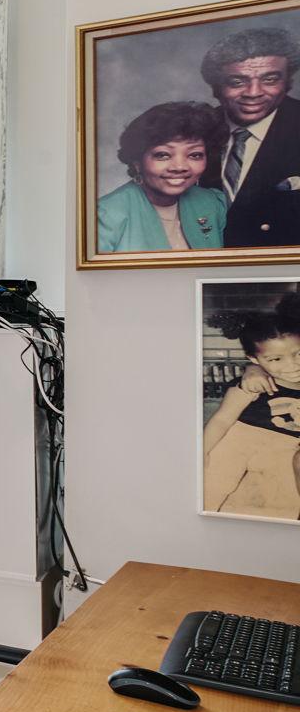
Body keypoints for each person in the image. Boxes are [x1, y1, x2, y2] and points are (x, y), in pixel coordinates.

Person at [198, 26, 300, 247]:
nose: (253, 93)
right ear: (216, 87)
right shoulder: (194, 128)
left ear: (287, 83)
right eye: (237, 82)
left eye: (270, 79)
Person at [203, 295, 300, 518]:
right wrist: (203, 453)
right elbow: (222, 419)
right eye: (276, 359)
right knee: (212, 488)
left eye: (299, 354)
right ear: (254, 359)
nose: (293, 365)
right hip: (239, 442)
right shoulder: (253, 383)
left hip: (284, 449)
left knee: (279, 505)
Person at [95, 101, 228, 252]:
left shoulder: (212, 203)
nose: (180, 167)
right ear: (137, 162)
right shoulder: (104, 216)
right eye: (163, 155)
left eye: (194, 155)